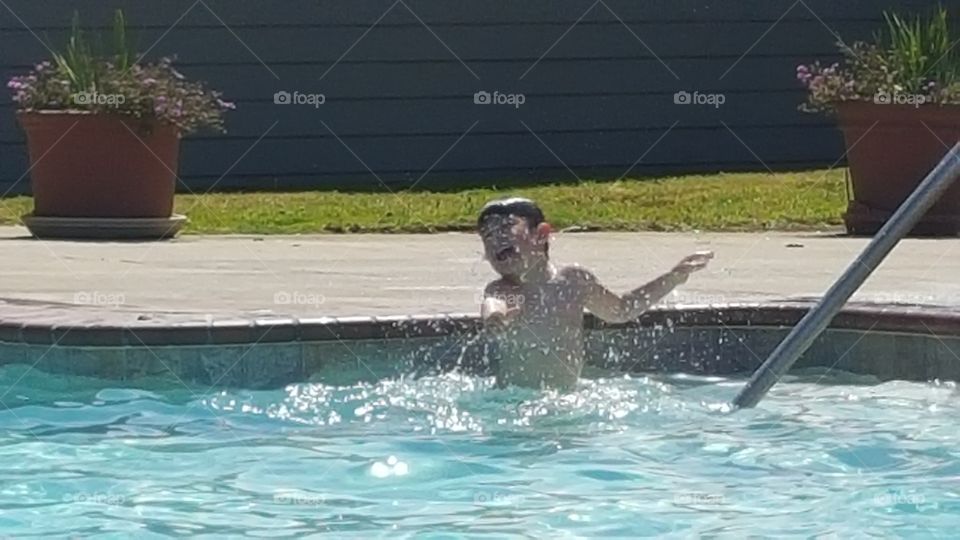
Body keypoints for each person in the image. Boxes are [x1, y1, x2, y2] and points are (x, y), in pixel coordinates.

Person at [478, 197, 713, 390]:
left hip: (562, 402)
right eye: (487, 235)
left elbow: (621, 310)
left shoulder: (574, 281)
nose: (496, 239)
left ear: (541, 234)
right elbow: (496, 303)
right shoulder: (506, 288)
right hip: (513, 403)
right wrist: (496, 318)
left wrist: (673, 277)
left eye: (506, 228)